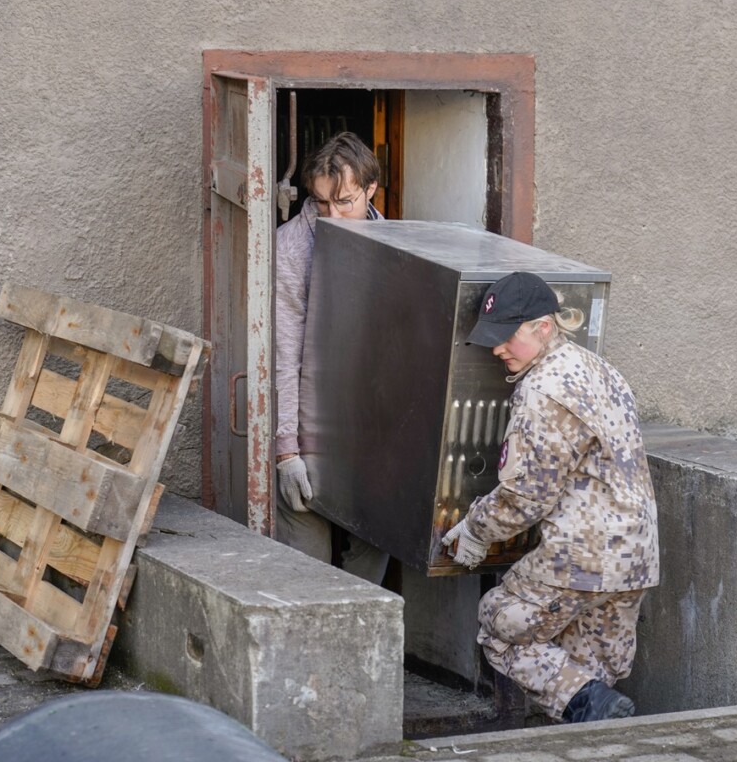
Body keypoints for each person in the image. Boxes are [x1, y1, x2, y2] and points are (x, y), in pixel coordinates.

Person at [442, 272, 660, 723]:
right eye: (492, 338)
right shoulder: (601, 369)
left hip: (580, 555)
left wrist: (475, 530)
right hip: (635, 557)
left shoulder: (544, 389)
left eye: (507, 337)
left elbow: (527, 494)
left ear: (544, 326)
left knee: (500, 628)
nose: (498, 348)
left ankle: (595, 707)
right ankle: (598, 721)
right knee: (587, 671)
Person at [274, 131, 390, 584]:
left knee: (371, 563)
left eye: (344, 201)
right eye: (321, 203)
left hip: (375, 434)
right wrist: (286, 451)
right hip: (311, 430)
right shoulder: (291, 246)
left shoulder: (400, 243)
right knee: (306, 574)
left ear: (371, 190)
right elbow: (284, 351)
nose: (332, 215)